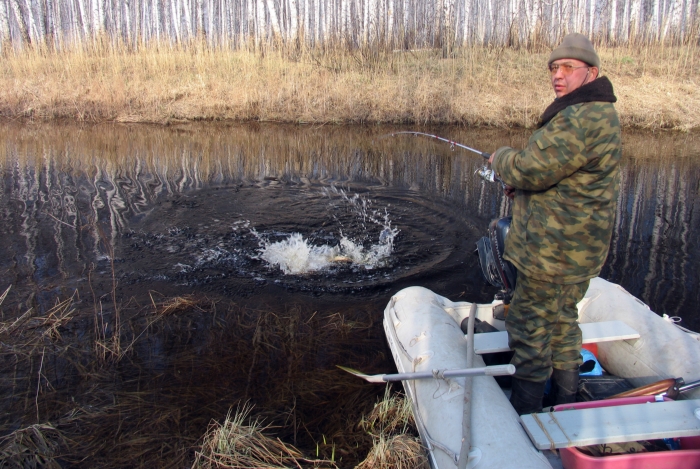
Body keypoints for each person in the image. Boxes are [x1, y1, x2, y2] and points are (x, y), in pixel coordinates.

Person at [488, 33, 621, 415]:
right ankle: (566, 400)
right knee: (563, 323)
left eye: (567, 68)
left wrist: (502, 159)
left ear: (590, 72)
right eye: (553, 68)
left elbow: (531, 167)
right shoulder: (599, 112)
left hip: (553, 253)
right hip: (578, 251)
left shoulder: (582, 117)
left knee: (529, 332)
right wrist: (524, 190)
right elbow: (561, 178)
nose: (557, 76)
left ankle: (527, 416)